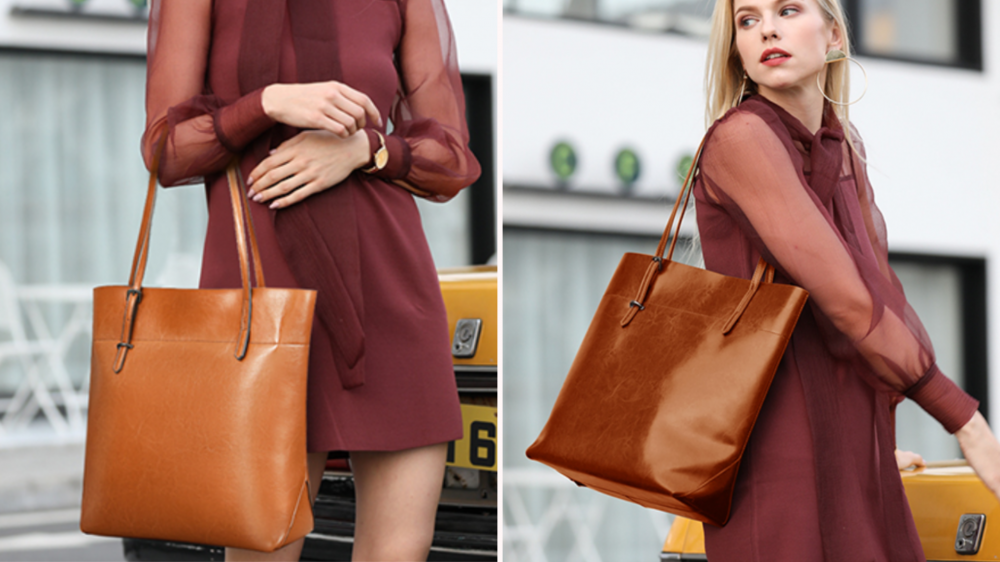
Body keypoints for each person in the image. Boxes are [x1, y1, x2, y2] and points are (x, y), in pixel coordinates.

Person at [141, 1, 481, 560]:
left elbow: (451, 155)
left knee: (398, 551)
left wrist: (366, 149)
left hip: (390, 295)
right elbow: (165, 151)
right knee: (262, 545)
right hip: (263, 307)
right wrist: (268, 103)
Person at [695, 0, 1000, 559]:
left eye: (787, 9)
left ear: (833, 34)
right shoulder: (741, 140)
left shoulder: (844, 144)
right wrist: (967, 423)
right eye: (747, 20)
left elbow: (880, 287)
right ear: (737, 50)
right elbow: (848, 300)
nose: (767, 29)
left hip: (851, 441)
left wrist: (876, 433)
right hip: (775, 440)